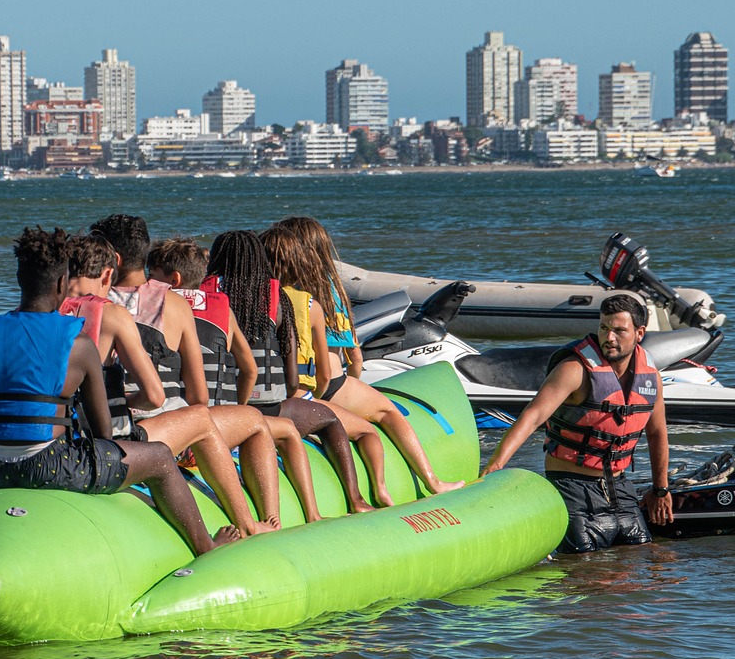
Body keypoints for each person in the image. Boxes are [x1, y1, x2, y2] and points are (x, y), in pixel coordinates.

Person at [0, 226, 238, 555]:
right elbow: (103, 431)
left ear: (20, 280)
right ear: (61, 284)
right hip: (51, 465)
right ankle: (206, 546)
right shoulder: (79, 342)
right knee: (158, 456)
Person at [61, 232, 275, 537]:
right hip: (113, 444)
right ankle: (247, 522)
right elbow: (155, 395)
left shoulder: (44, 313)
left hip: (60, 446)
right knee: (208, 418)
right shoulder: (110, 314)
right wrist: (126, 403)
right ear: (108, 273)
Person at [150, 233, 374, 519]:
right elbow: (280, 375)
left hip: (189, 415)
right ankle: (321, 508)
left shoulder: (187, 300)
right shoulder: (268, 298)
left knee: (263, 423)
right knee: (322, 422)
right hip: (249, 408)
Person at [261, 216, 464, 499]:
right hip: (329, 384)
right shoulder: (325, 291)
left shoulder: (269, 294)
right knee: (388, 413)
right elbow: (353, 353)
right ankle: (424, 482)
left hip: (283, 388)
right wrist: (354, 380)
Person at [482, 294, 672, 554]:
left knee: (644, 564)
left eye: (619, 330)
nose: (609, 338)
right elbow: (533, 416)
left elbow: (657, 432)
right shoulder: (574, 369)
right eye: (604, 328)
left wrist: (660, 490)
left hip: (620, 489)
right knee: (582, 576)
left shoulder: (651, 377)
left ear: (639, 333)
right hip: (572, 488)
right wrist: (496, 465)